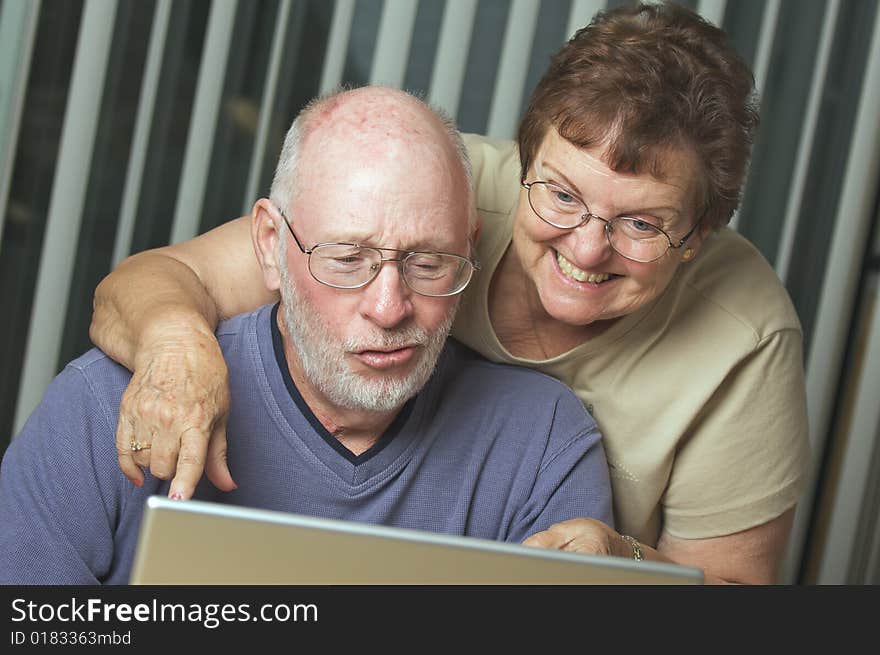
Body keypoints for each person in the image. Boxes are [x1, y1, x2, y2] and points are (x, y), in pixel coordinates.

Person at [90, 2, 811, 584]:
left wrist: (623, 559)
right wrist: (177, 343)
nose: (587, 247)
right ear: (523, 160)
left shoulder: (744, 338)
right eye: (560, 194)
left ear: (703, 230)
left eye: (641, 223)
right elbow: (153, 282)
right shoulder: (431, 195)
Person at [0, 87, 613, 584]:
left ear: (470, 248)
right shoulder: (115, 403)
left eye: (429, 262)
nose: (389, 307)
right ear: (270, 245)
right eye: (347, 259)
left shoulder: (542, 444)